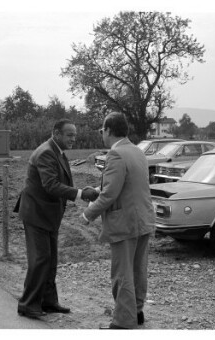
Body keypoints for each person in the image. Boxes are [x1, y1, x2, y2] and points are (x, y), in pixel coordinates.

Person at [16, 118, 99, 319]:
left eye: (75, 135)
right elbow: (51, 185)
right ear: (56, 133)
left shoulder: (56, 151)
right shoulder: (46, 152)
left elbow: (58, 183)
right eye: (69, 135)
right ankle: (28, 304)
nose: (74, 139)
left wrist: (80, 191)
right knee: (40, 259)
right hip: (37, 213)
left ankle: (48, 301)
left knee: (50, 259)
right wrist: (80, 194)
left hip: (47, 214)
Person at [81, 112, 155, 329]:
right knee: (138, 270)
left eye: (102, 130)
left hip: (124, 223)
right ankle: (137, 312)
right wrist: (97, 189)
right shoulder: (137, 152)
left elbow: (110, 194)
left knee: (122, 274)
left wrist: (88, 214)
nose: (102, 134)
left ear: (109, 131)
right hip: (143, 220)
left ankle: (123, 322)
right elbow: (128, 184)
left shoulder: (116, 155)